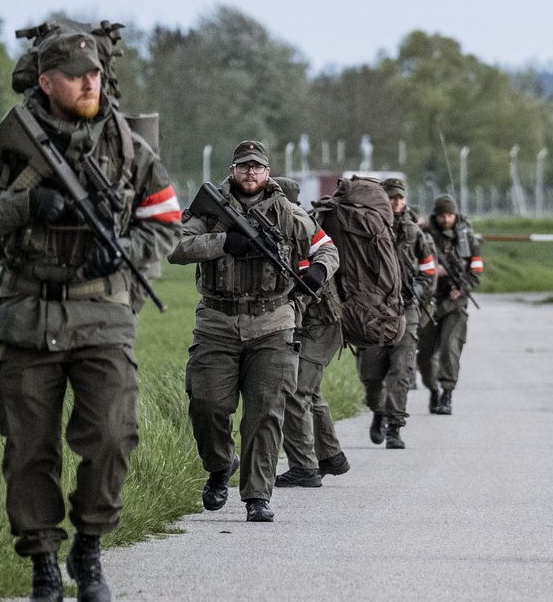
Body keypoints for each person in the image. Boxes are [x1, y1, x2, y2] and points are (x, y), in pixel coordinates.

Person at [0, 22, 180, 602]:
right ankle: (44, 569)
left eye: (95, 74)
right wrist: (26, 204)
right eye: (76, 76)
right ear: (46, 81)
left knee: (111, 433)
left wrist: (126, 251)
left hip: (103, 311)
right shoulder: (5, 141)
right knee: (29, 450)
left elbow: (165, 216)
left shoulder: (127, 145)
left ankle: (90, 547)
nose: (88, 83)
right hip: (27, 314)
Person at [168, 142, 334, 522]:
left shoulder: (289, 213)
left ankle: (257, 495)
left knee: (265, 412)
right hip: (217, 321)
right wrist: (224, 242)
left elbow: (327, 248)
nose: (250, 173)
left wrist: (317, 272)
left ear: (268, 172)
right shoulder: (210, 212)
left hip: (273, 322)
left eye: (257, 167)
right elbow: (174, 245)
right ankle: (220, 465)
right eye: (243, 167)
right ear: (232, 170)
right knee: (207, 404)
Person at [275, 177, 352, 489]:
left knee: (296, 393)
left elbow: (304, 289)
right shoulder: (290, 228)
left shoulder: (300, 230)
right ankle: (332, 457)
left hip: (321, 325)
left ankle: (304, 467)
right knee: (311, 392)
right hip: (317, 326)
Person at [359, 177, 438, 449]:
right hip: (374, 311)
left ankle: (394, 426)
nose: (396, 202)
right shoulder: (366, 229)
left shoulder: (415, 233)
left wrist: (421, 290)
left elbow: (429, 269)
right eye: (391, 197)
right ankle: (378, 411)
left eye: (400, 197)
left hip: (406, 308)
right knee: (370, 375)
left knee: (401, 369)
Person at [419, 194, 483, 415]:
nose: (446, 219)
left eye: (450, 215)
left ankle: (447, 393)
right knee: (425, 356)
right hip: (429, 302)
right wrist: (433, 272)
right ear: (436, 216)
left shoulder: (465, 238)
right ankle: (433, 389)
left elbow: (476, 269)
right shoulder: (425, 236)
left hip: (455, 304)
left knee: (450, 347)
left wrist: (463, 287)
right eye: (442, 215)